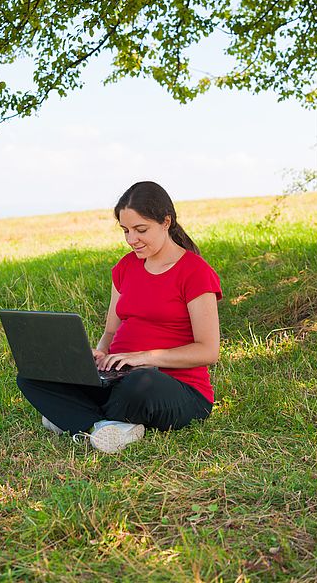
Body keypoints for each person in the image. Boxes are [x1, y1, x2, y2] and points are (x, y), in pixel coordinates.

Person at [17, 181, 222, 454]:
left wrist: (144, 358)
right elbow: (111, 333)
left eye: (141, 230)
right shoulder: (125, 267)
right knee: (34, 376)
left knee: (139, 382)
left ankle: (76, 419)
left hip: (174, 388)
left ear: (166, 222)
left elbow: (208, 351)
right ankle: (108, 426)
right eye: (126, 231)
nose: (131, 239)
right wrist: (99, 356)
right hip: (118, 376)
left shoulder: (195, 272)